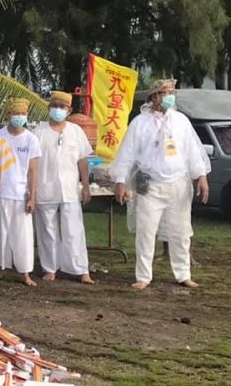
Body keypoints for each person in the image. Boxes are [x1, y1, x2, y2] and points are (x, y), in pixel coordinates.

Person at [111, 79, 210, 290]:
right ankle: (143, 276)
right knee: (146, 231)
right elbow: (127, 154)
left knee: (181, 232)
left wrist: (201, 176)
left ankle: (183, 273)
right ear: (154, 97)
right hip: (149, 184)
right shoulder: (140, 122)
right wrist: (120, 181)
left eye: (172, 92)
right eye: (165, 93)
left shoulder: (181, 120)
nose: (169, 96)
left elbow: (193, 151)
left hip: (178, 183)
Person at [33, 91, 94, 284]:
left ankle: (80, 269)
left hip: (69, 188)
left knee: (74, 229)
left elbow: (82, 160)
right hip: (45, 187)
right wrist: (32, 190)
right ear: (49, 108)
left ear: (69, 110)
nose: (58, 110)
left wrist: (85, 185)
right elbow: (32, 163)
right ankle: (50, 267)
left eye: (62, 107)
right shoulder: (39, 132)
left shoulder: (76, 131)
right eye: (55, 106)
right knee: (47, 230)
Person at [0, 97, 41, 286]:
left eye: (23, 114)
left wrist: (32, 196)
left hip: (21, 194)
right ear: (8, 115)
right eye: (16, 113)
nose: (19, 117)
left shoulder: (31, 139)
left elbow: (33, 170)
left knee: (23, 234)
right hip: (2, 192)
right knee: (0, 232)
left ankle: (24, 272)